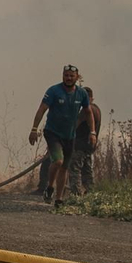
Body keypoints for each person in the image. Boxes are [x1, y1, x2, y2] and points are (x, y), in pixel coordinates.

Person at [29, 64, 88, 208]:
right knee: (58, 161)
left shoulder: (81, 94)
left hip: (69, 135)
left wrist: (92, 132)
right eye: (66, 75)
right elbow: (42, 109)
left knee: (65, 168)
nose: (68, 78)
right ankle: (49, 187)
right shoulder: (54, 91)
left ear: (77, 77)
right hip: (52, 132)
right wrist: (34, 129)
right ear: (63, 76)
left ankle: (59, 199)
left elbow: (89, 112)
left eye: (71, 76)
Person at [69, 85, 103, 196]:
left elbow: (75, 126)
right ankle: (91, 193)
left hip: (80, 145)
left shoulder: (86, 110)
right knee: (86, 170)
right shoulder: (97, 108)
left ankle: (76, 194)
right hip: (89, 145)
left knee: (74, 168)